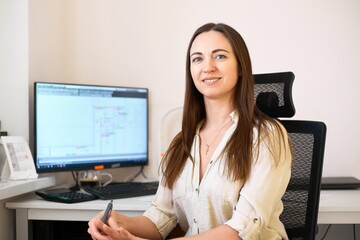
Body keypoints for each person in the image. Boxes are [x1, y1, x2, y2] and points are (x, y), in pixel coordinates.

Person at [88, 22, 292, 240]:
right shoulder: (181, 142)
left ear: (241, 66)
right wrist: (119, 222)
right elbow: (160, 218)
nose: (208, 67)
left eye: (220, 56)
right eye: (197, 59)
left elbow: (242, 230)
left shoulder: (267, 136)